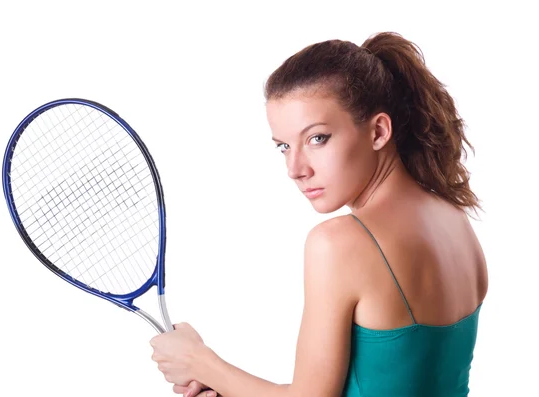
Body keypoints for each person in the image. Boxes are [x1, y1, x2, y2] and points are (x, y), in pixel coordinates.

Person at [149, 31, 488, 397]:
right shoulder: (454, 217)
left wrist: (200, 362)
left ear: (378, 131)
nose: (295, 168)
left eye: (317, 138)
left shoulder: (339, 243)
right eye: (283, 147)